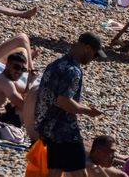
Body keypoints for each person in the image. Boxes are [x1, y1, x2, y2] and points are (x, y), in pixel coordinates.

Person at [35, 33, 106, 177]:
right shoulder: (73, 71)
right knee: (79, 172)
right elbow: (64, 101)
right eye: (94, 54)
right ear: (87, 48)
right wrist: (88, 111)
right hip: (64, 131)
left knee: (55, 170)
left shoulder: (57, 63)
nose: (93, 59)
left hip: (46, 126)